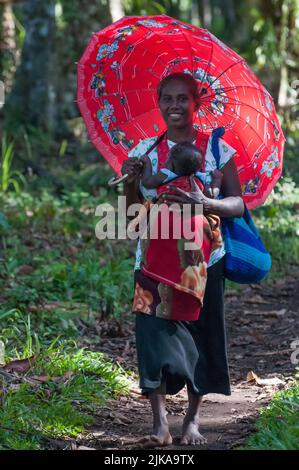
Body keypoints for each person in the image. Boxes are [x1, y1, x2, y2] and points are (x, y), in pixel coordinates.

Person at [122, 72, 244, 447]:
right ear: (159, 103)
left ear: (196, 103)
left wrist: (203, 203)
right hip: (154, 262)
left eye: (183, 99)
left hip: (204, 264)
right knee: (151, 334)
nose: (174, 106)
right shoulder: (144, 151)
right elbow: (131, 215)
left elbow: (237, 204)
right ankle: (159, 425)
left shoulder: (217, 150)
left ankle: (191, 421)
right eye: (167, 99)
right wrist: (130, 181)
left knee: (201, 334)